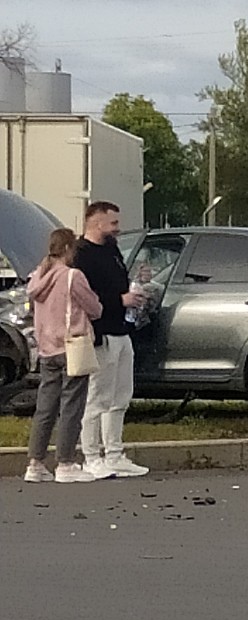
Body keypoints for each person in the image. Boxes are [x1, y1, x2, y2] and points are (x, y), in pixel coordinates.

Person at [74, 200, 149, 479]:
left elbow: (116, 284)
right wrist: (120, 299)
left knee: (121, 396)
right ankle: (91, 455)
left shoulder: (111, 249)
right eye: (113, 223)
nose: (118, 228)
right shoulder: (81, 255)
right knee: (97, 397)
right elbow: (84, 297)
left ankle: (114, 453)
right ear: (96, 223)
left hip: (121, 329)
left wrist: (133, 294)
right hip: (100, 332)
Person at [24, 228, 104, 484]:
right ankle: (66, 462)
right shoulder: (72, 276)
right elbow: (95, 308)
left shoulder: (38, 276)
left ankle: (35, 463)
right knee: (71, 406)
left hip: (47, 348)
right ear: (69, 249)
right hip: (73, 346)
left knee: (45, 408)